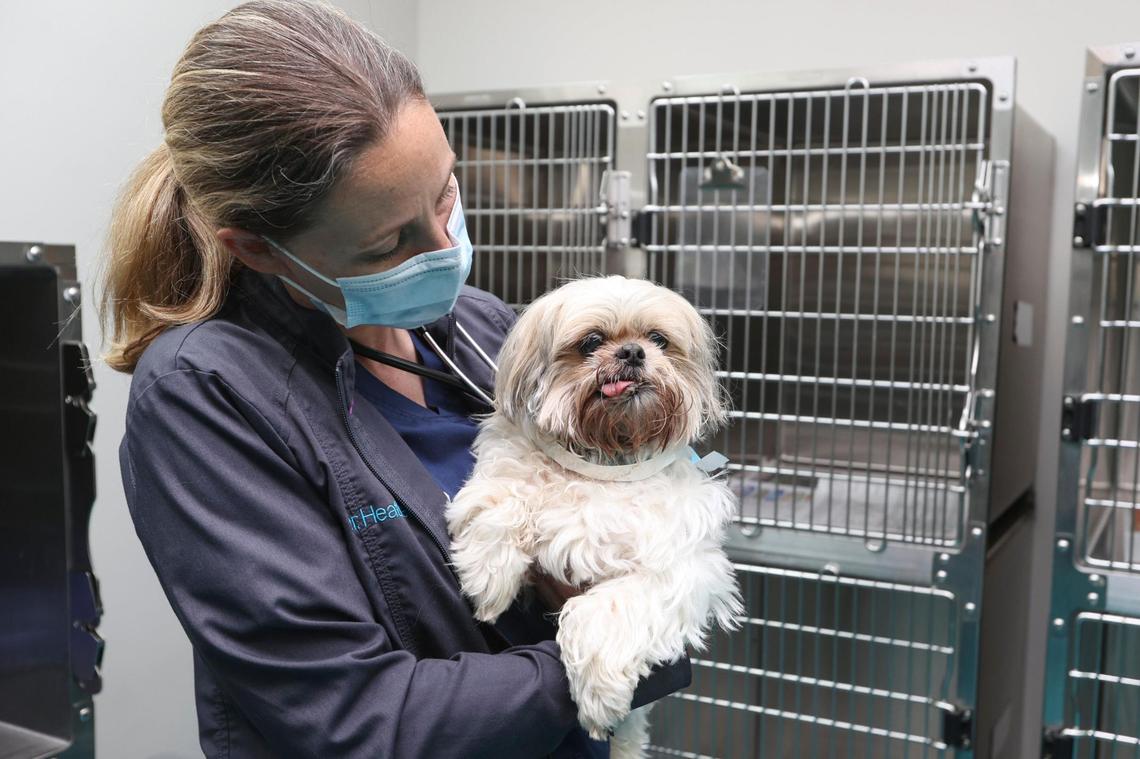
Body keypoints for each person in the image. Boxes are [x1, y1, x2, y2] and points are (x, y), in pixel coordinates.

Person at [99, 1, 692, 757]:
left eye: (445, 192)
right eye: (390, 242)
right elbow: (358, 719)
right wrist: (620, 647)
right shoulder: (205, 395)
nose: (444, 247)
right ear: (257, 247)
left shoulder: (477, 326)